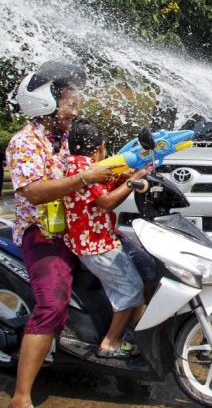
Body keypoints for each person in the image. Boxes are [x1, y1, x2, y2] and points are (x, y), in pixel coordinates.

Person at [6, 61, 114, 408]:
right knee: (52, 305)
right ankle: (21, 396)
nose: (75, 110)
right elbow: (35, 192)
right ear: (46, 105)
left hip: (76, 228)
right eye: (70, 103)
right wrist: (85, 179)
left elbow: (97, 162)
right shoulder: (24, 143)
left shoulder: (68, 138)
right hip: (42, 235)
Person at [63, 118, 147, 358]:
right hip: (95, 245)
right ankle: (110, 343)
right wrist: (134, 180)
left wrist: (124, 177)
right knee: (132, 288)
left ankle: (135, 330)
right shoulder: (84, 168)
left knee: (146, 270)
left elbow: (105, 184)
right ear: (99, 146)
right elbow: (106, 202)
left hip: (101, 239)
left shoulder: (80, 163)